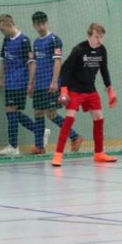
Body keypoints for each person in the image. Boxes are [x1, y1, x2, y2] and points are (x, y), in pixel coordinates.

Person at [51, 23, 118, 167]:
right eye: (96, 37)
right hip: (75, 89)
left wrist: (110, 90)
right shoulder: (79, 50)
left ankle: (99, 153)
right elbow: (65, 69)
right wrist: (64, 89)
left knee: (99, 118)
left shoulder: (102, 50)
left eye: (101, 37)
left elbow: (104, 70)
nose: (99, 40)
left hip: (90, 89)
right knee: (69, 119)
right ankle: (58, 154)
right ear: (89, 36)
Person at [31, 11, 82, 156]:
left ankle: (74, 136)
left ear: (47, 23)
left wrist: (54, 81)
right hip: (39, 84)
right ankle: (39, 146)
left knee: (51, 114)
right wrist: (31, 82)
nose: (41, 26)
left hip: (50, 83)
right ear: (34, 25)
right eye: (38, 24)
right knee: (38, 112)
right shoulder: (36, 42)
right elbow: (35, 63)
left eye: (43, 23)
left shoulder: (54, 40)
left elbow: (58, 61)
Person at [0, 14, 40, 156]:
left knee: (11, 110)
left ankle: (13, 146)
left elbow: (31, 63)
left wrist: (30, 82)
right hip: (9, 82)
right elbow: (3, 60)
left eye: (2, 29)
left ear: (9, 25)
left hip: (19, 82)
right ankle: (39, 130)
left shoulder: (24, 40)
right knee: (13, 113)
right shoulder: (6, 40)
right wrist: (0, 78)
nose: (2, 32)